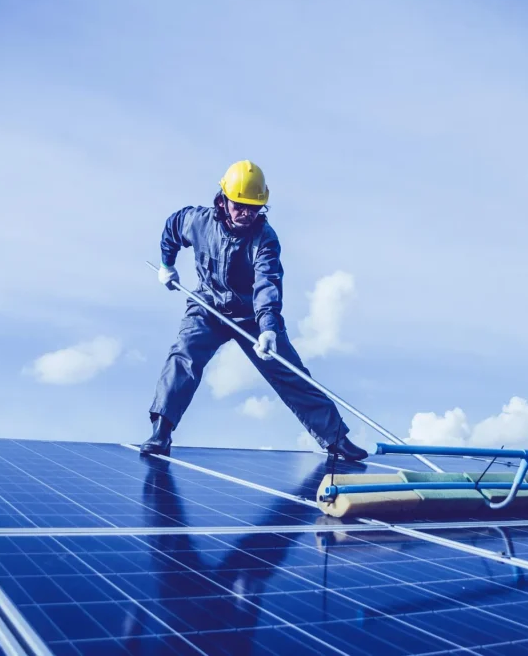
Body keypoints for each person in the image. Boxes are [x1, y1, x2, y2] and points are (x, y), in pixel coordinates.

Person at [140, 160, 368, 462]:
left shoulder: (265, 240)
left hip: (253, 318)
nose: (247, 213)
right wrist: (167, 265)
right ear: (223, 201)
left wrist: (269, 328)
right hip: (207, 307)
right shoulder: (197, 222)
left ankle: (336, 438)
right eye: (240, 206)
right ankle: (161, 432)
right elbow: (172, 228)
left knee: (290, 372)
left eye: (254, 207)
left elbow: (267, 284)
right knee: (184, 356)